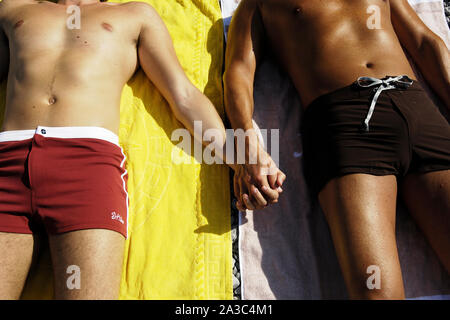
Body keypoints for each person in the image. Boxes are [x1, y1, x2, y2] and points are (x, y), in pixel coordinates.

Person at [0, 0, 284, 299]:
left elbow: (184, 96)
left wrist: (243, 159)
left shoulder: (134, 15)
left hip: (86, 170)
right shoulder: (13, 9)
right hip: (7, 165)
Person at [224, 0, 450, 299]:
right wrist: (249, 151)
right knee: (376, 291)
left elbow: (425, 42)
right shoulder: (260, 3)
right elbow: (238, 73)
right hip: (346, 124)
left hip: (417, 108)